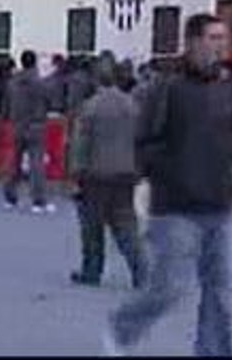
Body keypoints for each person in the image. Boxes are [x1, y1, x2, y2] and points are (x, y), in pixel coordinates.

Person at [105, 13, 232, 357]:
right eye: (213, 38)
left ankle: (213, 351)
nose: (221, 45)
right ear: (193, 42)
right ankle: (124, 327)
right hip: (176, 206)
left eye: (223, 38)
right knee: (169, 288)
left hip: (220, 204)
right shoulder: (167, 88)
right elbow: (145, 141)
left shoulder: (228, 86)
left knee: (220, 290)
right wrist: (169, 174)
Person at [70, 54, 147, 289]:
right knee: (126, 224)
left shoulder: (90, 107)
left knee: (92, 226)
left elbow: (81, 144)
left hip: (96, 173)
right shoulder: (131, 105)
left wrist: (76, 172)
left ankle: (92, 270)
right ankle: (141, 270)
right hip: (126, 172)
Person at [3, 50, 55, 214]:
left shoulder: (13, 82)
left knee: (15, 162)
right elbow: (49, 99)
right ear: (35, 62)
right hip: (35, 126)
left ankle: (10, 197)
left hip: (18, 125)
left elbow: (7, 103)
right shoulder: (40, 82)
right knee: (36, 164)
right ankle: (38, 201)